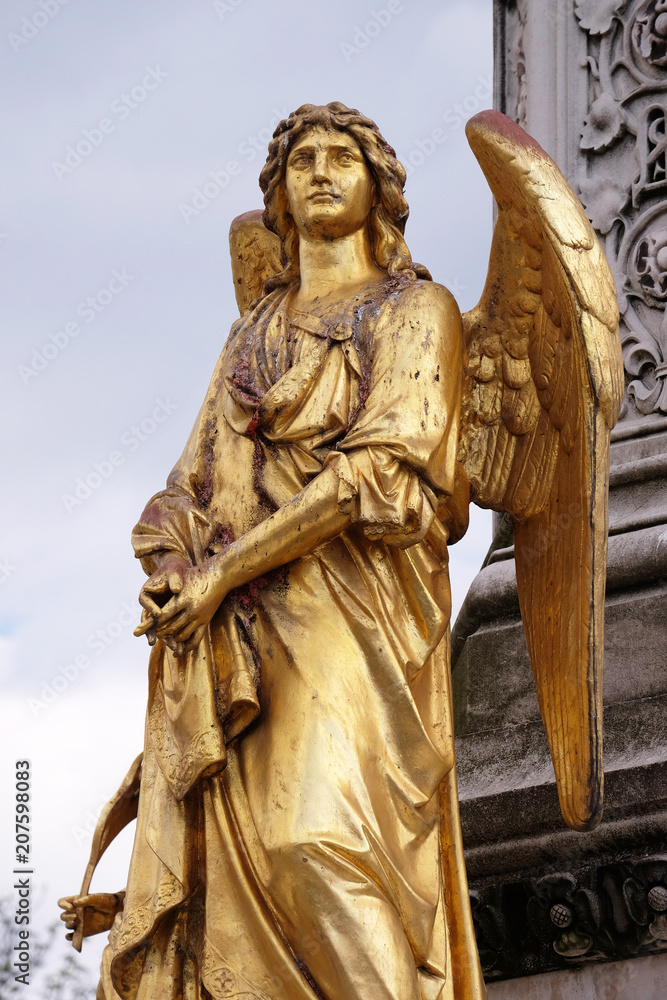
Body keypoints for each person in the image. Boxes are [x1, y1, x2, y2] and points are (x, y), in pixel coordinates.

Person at [66, 102, 486, 1000]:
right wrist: (174, 566)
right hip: (249, 629)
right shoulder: (252, 335)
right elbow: (189, 485)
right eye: (302, 160)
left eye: (343, 157)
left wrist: (220, 573)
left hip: (357, 617)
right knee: (231, 880)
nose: (321, 171)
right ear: (280, 197)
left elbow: (374, 472)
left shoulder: (419, 311)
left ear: (379, 190)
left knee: (312, 844)